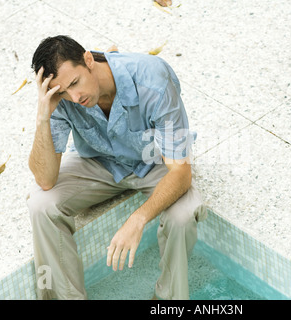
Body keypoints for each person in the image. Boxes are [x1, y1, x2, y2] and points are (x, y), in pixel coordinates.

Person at [27, 35, 207, 300]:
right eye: (63, 91)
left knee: (183, 216)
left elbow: (181, 172)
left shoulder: (153, 80)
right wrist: (43, 115)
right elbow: (45, 180)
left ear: (88, 60)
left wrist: (138, 219)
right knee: (40, 204)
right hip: (100, 162)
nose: (74, 97)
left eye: (75, 83)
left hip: (154, 162)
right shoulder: (62, 97)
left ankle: (167, 300)